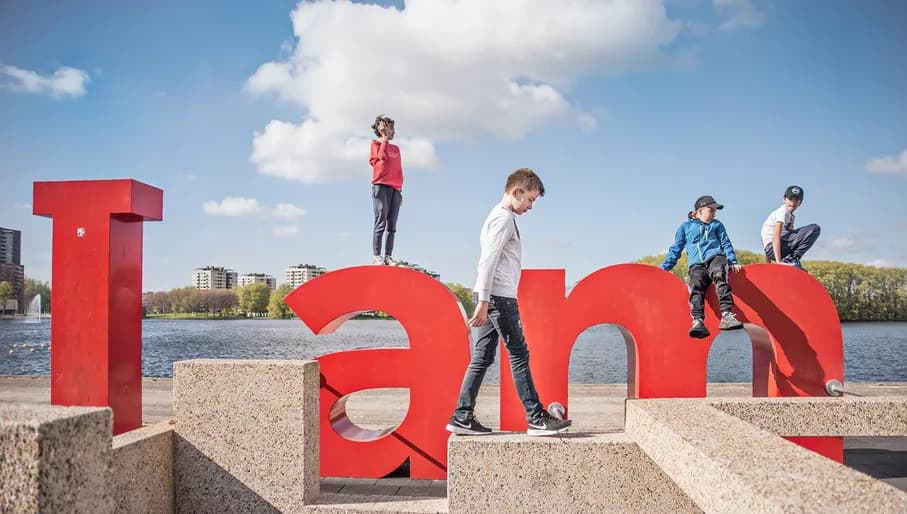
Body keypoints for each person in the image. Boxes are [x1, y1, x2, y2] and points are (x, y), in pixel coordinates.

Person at [446, 168, 572, 437]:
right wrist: (483, 300)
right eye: (530, 200)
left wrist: (483, 299)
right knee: (519, 354)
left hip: (493, 296)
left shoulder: (499, 216)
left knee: (482, 357)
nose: (530, 206)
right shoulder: (503, 219)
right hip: (499, 298)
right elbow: (488, 261)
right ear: (517, 191)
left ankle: (462, 416)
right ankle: (536, 417)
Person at [661, 195, 745, 339]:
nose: (714, 213)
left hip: (715, 257)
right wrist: (663, 269)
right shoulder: (685, 227)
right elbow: (676, 249)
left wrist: (732, 260)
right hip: (696, 264)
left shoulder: (717, 225)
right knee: (696, 285)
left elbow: (726, 243)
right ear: (699, 211)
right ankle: (698, 321)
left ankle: (727, 314)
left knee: (719, 274)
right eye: (711, 210)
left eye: (715, 211)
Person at [369, 115, 404, 265]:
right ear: (382, 130)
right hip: (381, 186)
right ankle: (377, 256)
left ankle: (388, 256)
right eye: (390, 128)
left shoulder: (396, 149)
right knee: (380, 221)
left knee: (392, 225)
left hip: (395, 189)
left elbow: (398, 170)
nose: (393, 132)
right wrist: (384, 139)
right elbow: (381, 159)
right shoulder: (375, 145)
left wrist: (399, 191)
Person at [760, 185, 820, 269]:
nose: (793, 202)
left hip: (774, 250)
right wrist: (778, 262)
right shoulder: (782, 212)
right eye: (790, 199)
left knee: (795, 235)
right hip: (773, 249)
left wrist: (769, 265)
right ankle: (792, 258)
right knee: (815, 229)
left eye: (796, 200)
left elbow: (765, 238)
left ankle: (790, 260)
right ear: (784, 199)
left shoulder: (790, 216)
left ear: (800, 203)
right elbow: (775, 237)